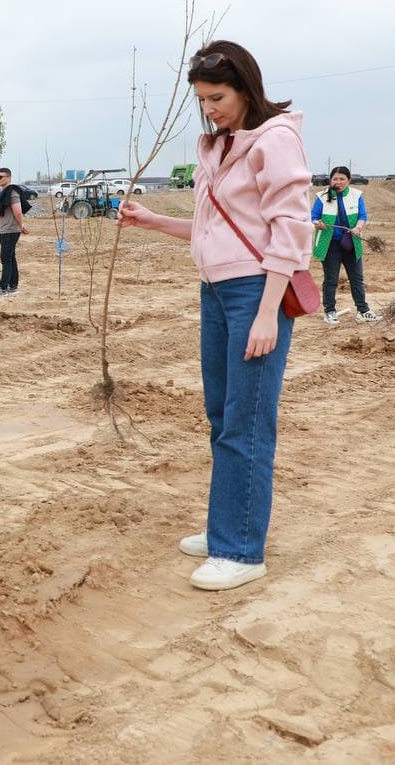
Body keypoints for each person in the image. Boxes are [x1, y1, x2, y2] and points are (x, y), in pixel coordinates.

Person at [117, 40, 311, 592]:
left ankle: (242, 549)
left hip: (257, 293)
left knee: (246, 420)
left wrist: (269, 312)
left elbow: (291, 229)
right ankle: (229, 522)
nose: (210, 109)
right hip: (217, 290)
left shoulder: (275, 140)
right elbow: (215, 229)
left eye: (218, 97)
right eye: (202, 100)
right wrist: (154, 221)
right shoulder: (219, 144)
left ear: (247, 87)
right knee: (222, 414)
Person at [312, 166, 380, 324]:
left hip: (351, 243)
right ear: (331, 180)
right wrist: (318, 223)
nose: (338, 182)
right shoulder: (322, 196)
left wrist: (358, 227)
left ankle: (363, 311)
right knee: (331, 279)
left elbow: (362, 216)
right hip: (330, 244)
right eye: (335, 179)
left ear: (348, 180)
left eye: (342, 179)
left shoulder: (356, 196)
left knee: (357, 278)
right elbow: (313, 217)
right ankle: (330, 311)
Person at [0, 167, 30, 297]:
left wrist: (21, 224)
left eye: (0, 177)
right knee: (11, 258)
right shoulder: (5, 193)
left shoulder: (12, 193)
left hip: (10, 231)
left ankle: (3, 288)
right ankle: (13, 286)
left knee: (5, 259)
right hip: (6, 230)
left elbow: (17, 211)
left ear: (8, 177)